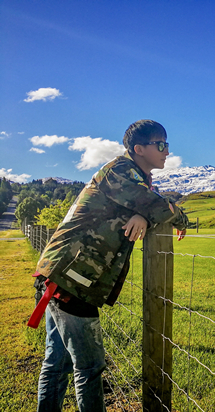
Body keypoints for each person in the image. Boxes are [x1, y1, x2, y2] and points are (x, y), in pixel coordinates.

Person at [29, 119, 189, 412]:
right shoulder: (120, 171)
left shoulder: (134, 178)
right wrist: (175, 217)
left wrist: (146, 217)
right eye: (161, 145)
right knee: (90, 367)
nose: (167, 152)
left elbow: (145, 206)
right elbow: (155, 204)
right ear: (138, 148)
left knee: (57, 362)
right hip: (70, 280)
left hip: (64, 273)